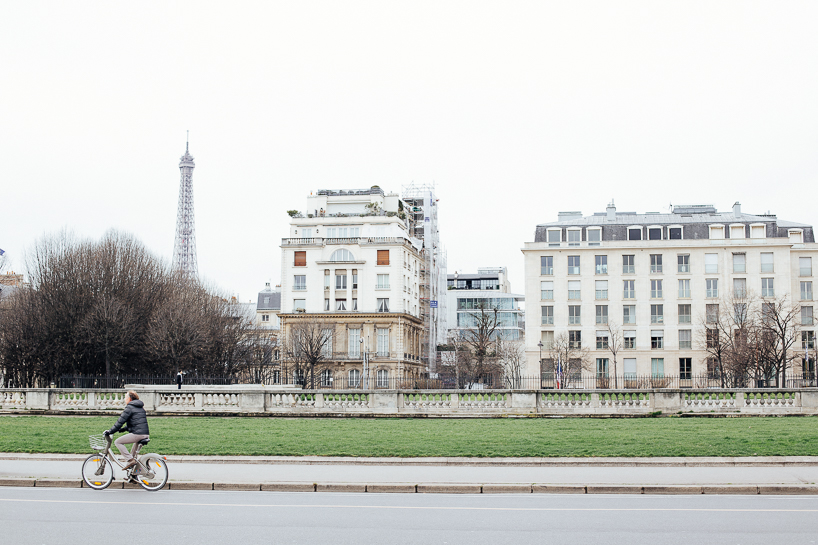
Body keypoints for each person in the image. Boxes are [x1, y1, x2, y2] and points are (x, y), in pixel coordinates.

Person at [103, 390, 149, 470]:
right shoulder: (140, 407)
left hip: (138, 434)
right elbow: (135, 423)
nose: (124, 399)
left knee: (118, 442)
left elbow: (120, 421)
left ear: (130, 399)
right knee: (132, 455)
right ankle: (133, 475)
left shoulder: (130, 407)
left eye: (125, 397)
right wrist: (122, 430)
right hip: (144, 433)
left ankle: (130, 460)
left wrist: (110, 431)